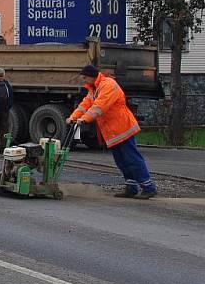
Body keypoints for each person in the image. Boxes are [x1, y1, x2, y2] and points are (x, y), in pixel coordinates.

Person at [67, 64, 157, 199]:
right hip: (112, 131)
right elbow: (85, 105)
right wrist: (73, 117)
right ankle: (131, 186)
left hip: (122, 128)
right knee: (121, 160)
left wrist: (84, 119)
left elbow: (99, 106)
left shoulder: (108, 85)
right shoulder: (94, 88)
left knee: (132, 158)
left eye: (85, 77)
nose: (83, 80)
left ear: (92, 77)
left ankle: (148, 187)